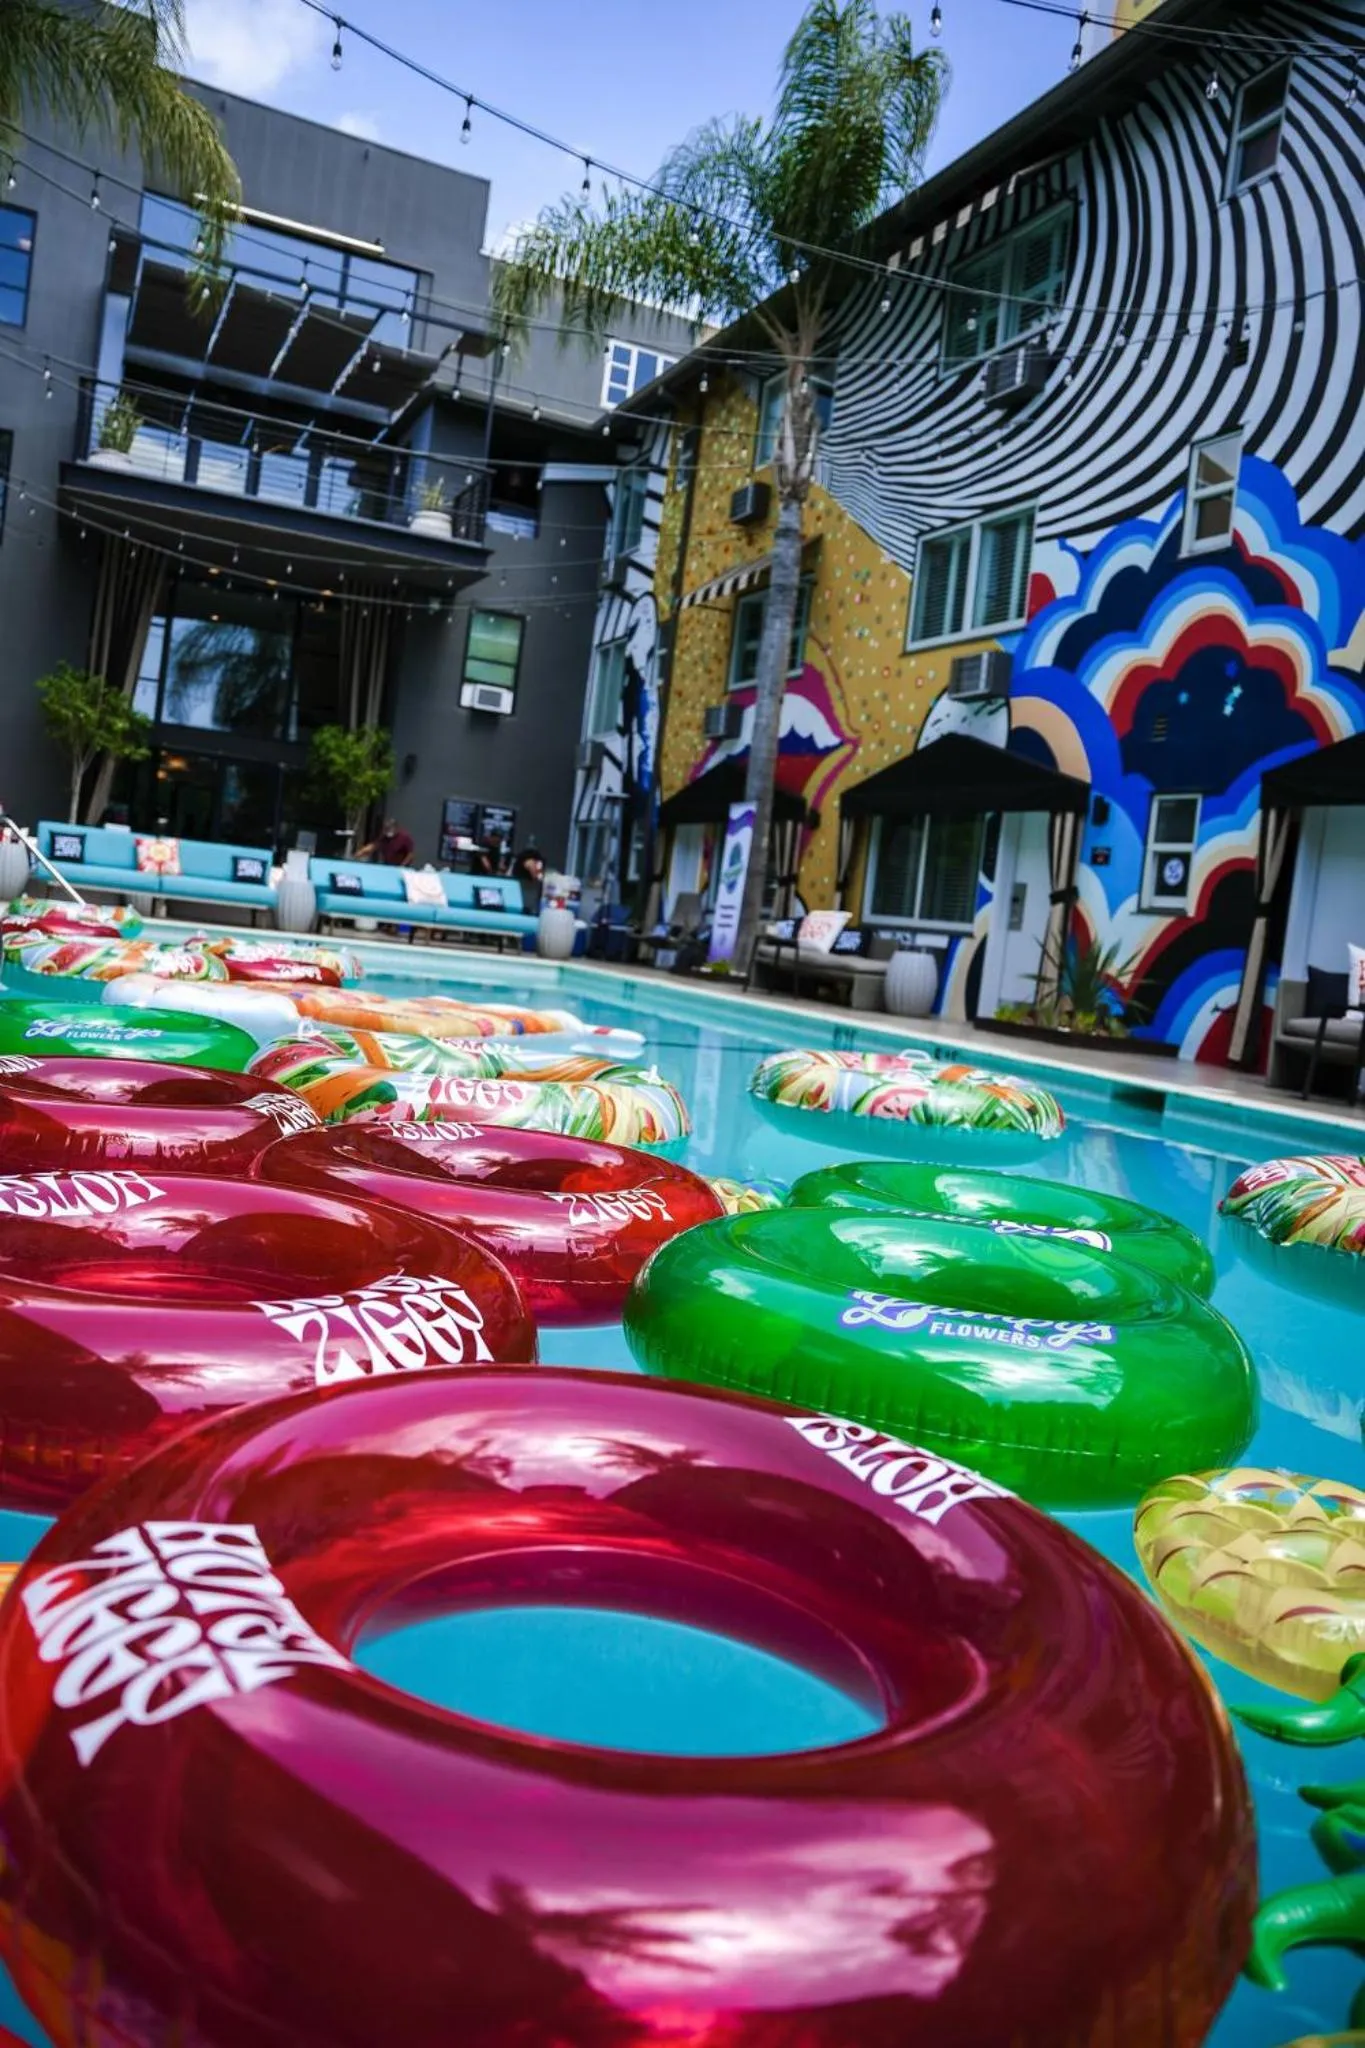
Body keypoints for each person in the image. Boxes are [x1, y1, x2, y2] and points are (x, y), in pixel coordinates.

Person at [511, 846, 544, 913]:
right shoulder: (530, 861)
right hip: (527, 889)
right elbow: (536, 876)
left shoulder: (519, 860)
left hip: (519, 888)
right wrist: (539, 875)